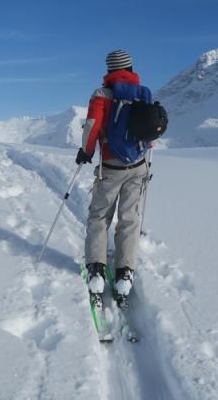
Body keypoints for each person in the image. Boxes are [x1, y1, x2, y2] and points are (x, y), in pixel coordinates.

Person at [76, 49, 153, 308]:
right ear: (131, 68)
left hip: (110, 167)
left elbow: (92, 127)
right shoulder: (143, 93)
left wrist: (85, 152)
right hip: (139, 165)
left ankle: (97, 272)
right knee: (129, 219)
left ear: (109, 70)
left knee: (99, 216)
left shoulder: (101, 95)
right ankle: (125, 274)